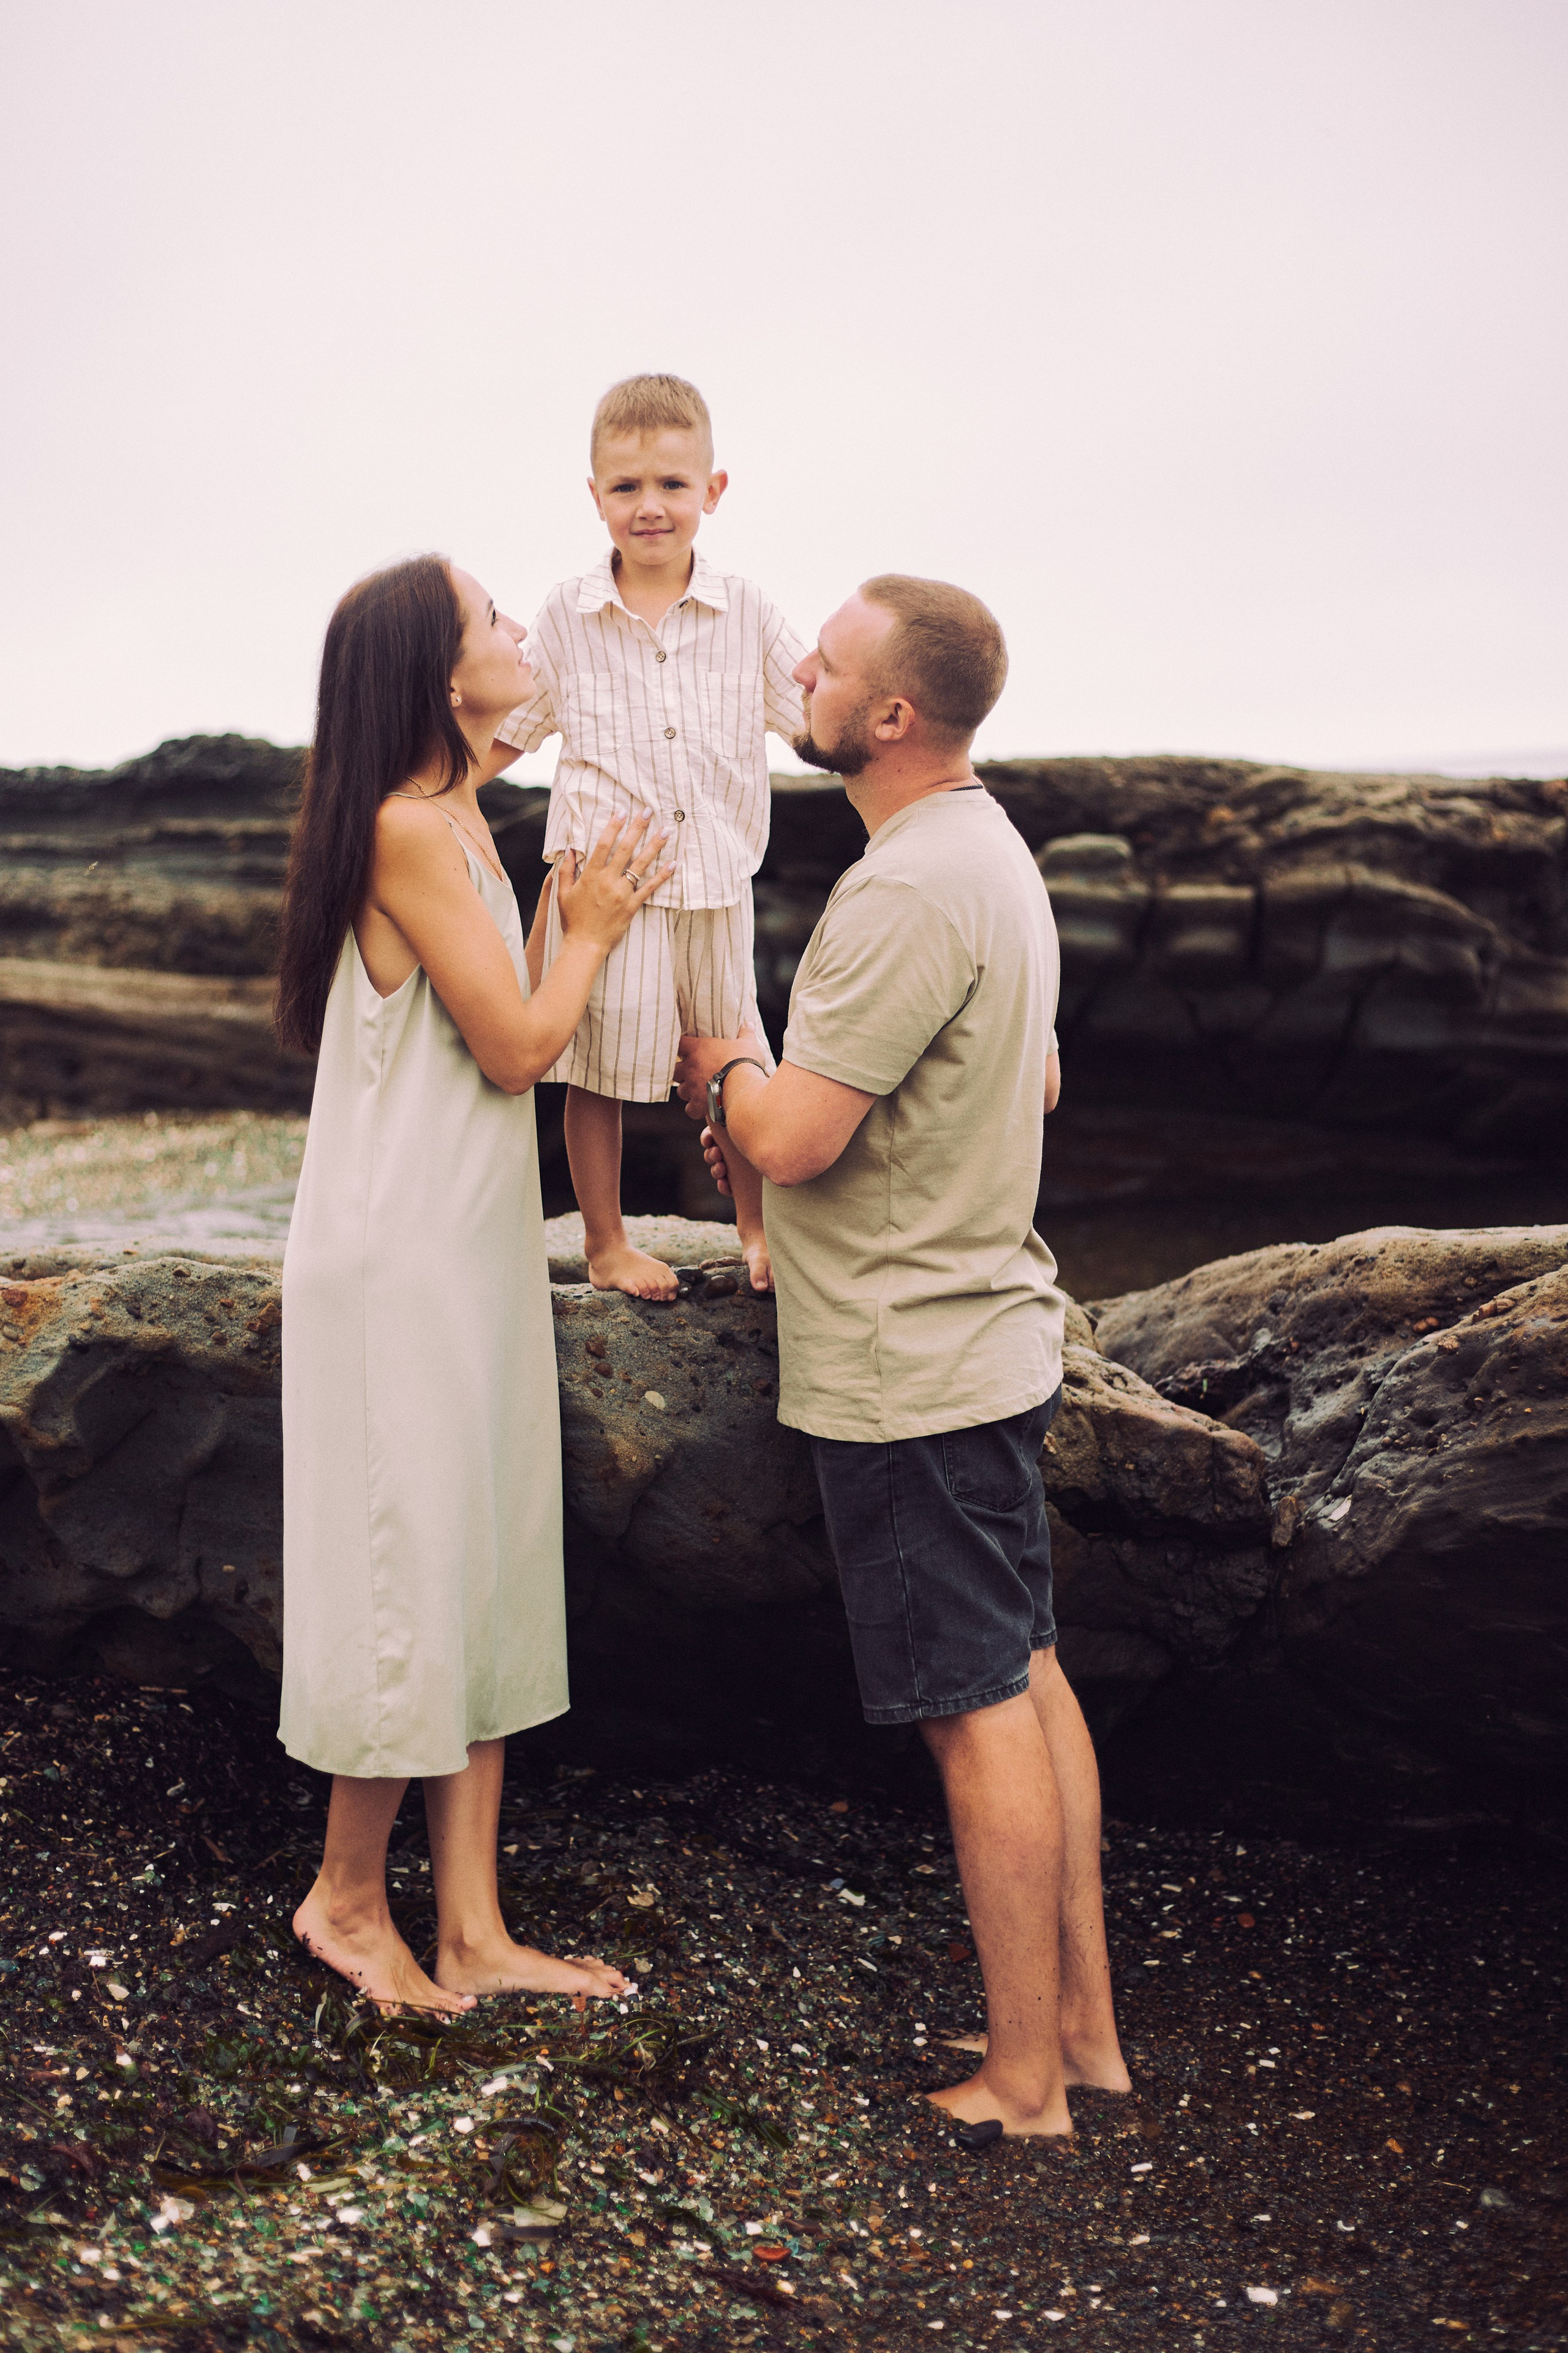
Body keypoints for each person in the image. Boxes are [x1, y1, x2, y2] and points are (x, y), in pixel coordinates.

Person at [674, 576, 1131, 2136]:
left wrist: (726, 1071)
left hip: (906, 1358)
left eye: (823, 659)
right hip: (989, 1329)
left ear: (885, 715)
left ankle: (1021, 2084)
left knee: (971, 1707)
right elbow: (1036, 1078)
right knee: (1025, 1673)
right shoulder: (990, 852)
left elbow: (797, 1137)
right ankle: (1081, 2036)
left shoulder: (903, 888)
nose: (794, 666)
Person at [274, 554, 673, 2014]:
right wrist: (596, 930)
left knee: (483, 1567)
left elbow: (556, 711)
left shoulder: (450, 812)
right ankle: (344, 1897)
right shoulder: (405, 830)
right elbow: (514, 1048)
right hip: (397, 1260)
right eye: (493, 617)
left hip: (466, 1245)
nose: (520, 627)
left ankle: (474, 1929)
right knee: (407, 1566)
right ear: (443, 678)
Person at [489, 372, 805, 1301]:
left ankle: (758, 1229)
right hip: (608, 886)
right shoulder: (567, 614)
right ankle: (605, 1241)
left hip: (718, 879)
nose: (650, 506)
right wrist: (428, 793)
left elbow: (814, 716)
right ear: (596, 496)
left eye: (672, 484)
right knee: (595, 1067)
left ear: (713, 490)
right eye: (626, 487)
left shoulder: (748, 610)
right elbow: (508, 734)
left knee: (732, 1054)